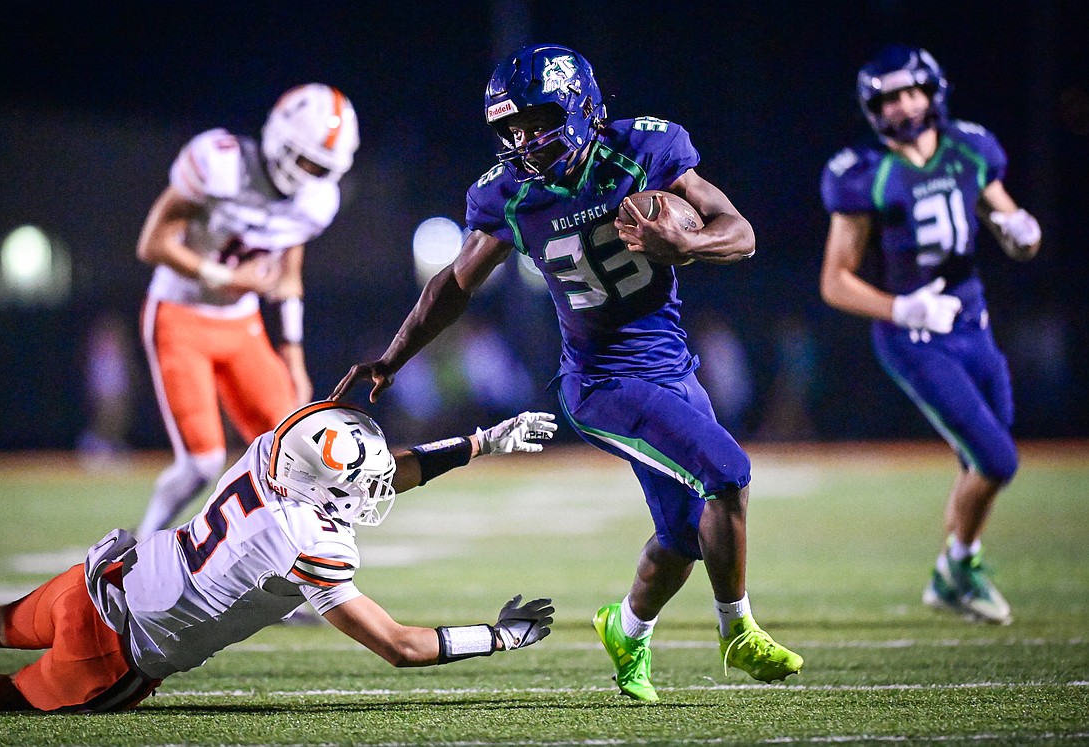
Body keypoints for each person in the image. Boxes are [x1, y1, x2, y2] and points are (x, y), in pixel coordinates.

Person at [332, 43, 803, 703]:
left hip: (673, 368)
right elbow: (455, 283)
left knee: (680, 536)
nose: (525, 141)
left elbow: (740, 232)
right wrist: (395, 353)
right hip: (603, 384)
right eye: (511, 130)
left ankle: (627, 628)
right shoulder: (511, 194)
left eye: (537, 120)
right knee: (728, 472)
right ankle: (737, 629)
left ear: (581, 104)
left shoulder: (645, 148)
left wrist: (690, 243)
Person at [0, 402, 558, 714]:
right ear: (317, 487)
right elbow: (400, 646)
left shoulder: (272, 446)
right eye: (352, 489)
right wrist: (499, 636)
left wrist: (479, 442)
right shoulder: (309, 542)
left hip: (99, 584)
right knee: (8, 696)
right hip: (117, 658)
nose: (369, 495)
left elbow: (375, 466)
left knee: (0, 622)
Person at [819, 45, 1041, 626]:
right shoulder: (865, 171)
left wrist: (1023, 233)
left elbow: (1008, 222)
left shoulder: (969, 147)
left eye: (910, 92)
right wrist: (901, 310)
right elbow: (835, 282)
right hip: (914, 337)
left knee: (986, 457)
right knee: (996, 459)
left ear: (932, 91)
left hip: (975, 324)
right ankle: (960, 565)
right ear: (874, 108)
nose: (902, 106)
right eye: (889, 98)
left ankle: (951, 569)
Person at [136, 83, 360, 537]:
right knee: (202, 463)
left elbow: (288, 276)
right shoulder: (221, 164)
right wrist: (225, 278)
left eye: (323, 166)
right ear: (281, 139)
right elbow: (151, 244)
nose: (312, 173)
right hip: (179, 316)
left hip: (242, 325)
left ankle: (283, 572)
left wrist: (293, 354)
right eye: (307, 159)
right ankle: (134, 553)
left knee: (294, 453)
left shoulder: (316, 200)